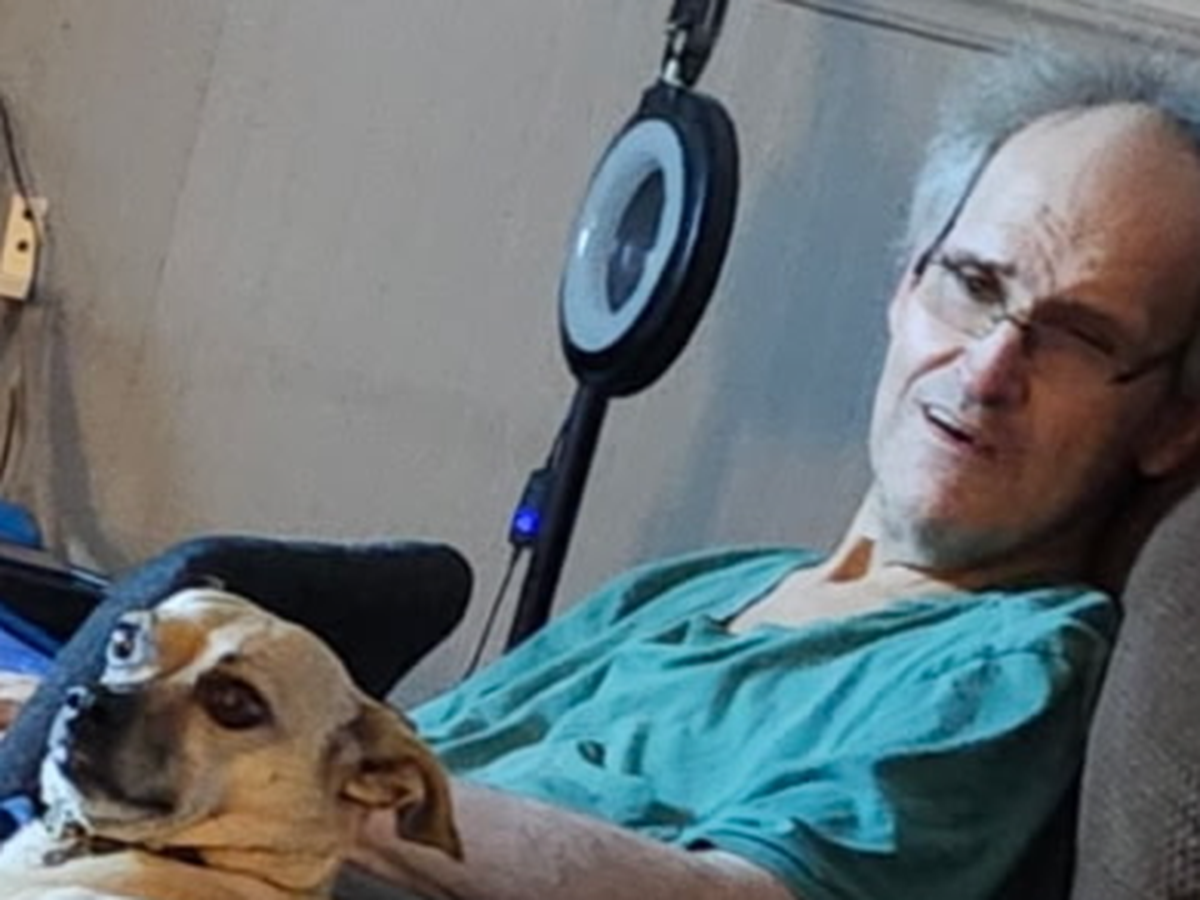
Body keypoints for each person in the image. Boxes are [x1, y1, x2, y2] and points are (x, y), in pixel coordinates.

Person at [7, 39, 1200, 900]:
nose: (989, 369)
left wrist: (300, 790)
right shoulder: (698, 587)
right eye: (975, 284)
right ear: (904, 286)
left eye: (1082, 337)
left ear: (1170, 427)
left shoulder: (1011, 667)